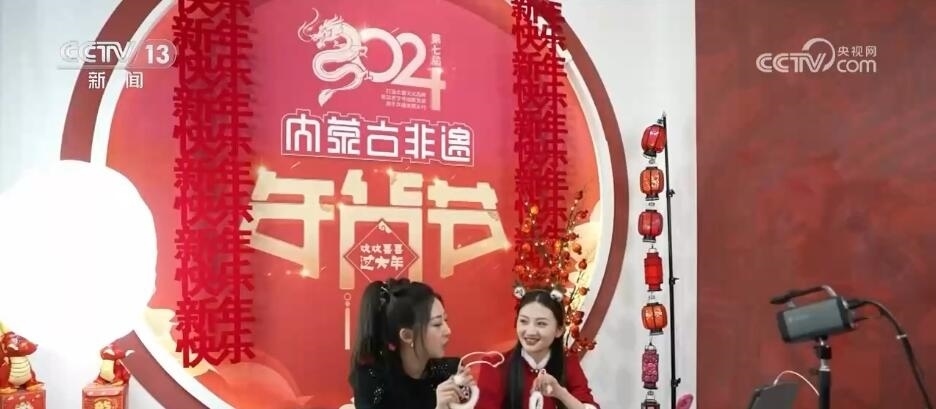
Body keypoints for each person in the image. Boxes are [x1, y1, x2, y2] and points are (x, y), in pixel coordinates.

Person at [349, 278, 473, 409]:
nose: (448, 331)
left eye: (445, 320)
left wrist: (468, 399)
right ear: (407, 335)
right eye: (437, 324)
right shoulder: (373, 380)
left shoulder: (451, 372)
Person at [475, 289, 599, 409]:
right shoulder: (495, 366)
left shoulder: (568, 365)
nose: (530, 331)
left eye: (541, 323)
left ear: (559, 330)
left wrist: (561, 393)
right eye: (524, 321)